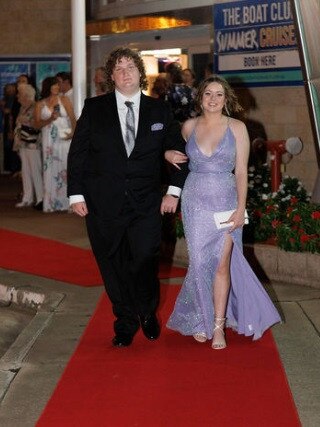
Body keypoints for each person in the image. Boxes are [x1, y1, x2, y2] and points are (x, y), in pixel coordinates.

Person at [67, 47, 188, 348]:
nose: (125, 72)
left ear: (140, 73)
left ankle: (147, 311)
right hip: (102, 203)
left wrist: (173, 191)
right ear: (111, 76)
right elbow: (78, 154)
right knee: (112, 264)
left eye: (130, 67)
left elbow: (177, 151)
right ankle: (124, 319)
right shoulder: (95, 108)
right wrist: (75, 194)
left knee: (145, 257)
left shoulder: (159, 110)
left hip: (146, 203)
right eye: (118, 68)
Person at [165, 75, 281, 349]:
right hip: (195, 200)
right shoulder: (188, 127)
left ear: (226, 99)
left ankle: (217, 326)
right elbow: (171, 152)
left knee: (220, 264)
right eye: (208, 94)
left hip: (226, 200)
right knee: (199, 263)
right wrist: (167, 154)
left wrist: (241, 209)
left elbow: (241, 171)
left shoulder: (238, 127)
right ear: (200, 98)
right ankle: (201, 319)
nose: (213, 99)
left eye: (219, 94)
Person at [34, 76, 76, 212]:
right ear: (48, 87)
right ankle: (51, 203)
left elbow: (73, 119)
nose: (57, 87)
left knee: (66, 169)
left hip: (64, 138)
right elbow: (36, 124)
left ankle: (68, 203)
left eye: (58, 85)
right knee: (50, 170)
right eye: (54, 85)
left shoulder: (64, 100)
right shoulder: (40, 104)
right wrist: (50, 119)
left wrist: (73, 134)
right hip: (48, 141)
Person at [13, 83, 43, 209]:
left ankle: (40, 198)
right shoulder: (22, 108)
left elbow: (35, 124)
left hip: (32, 144)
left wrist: (22, 121)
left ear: (26, 96)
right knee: (25, 172)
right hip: (22, 143)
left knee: (35, 171)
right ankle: (27, 197)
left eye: (19, 94)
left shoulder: (35, 106)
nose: (18, 96)